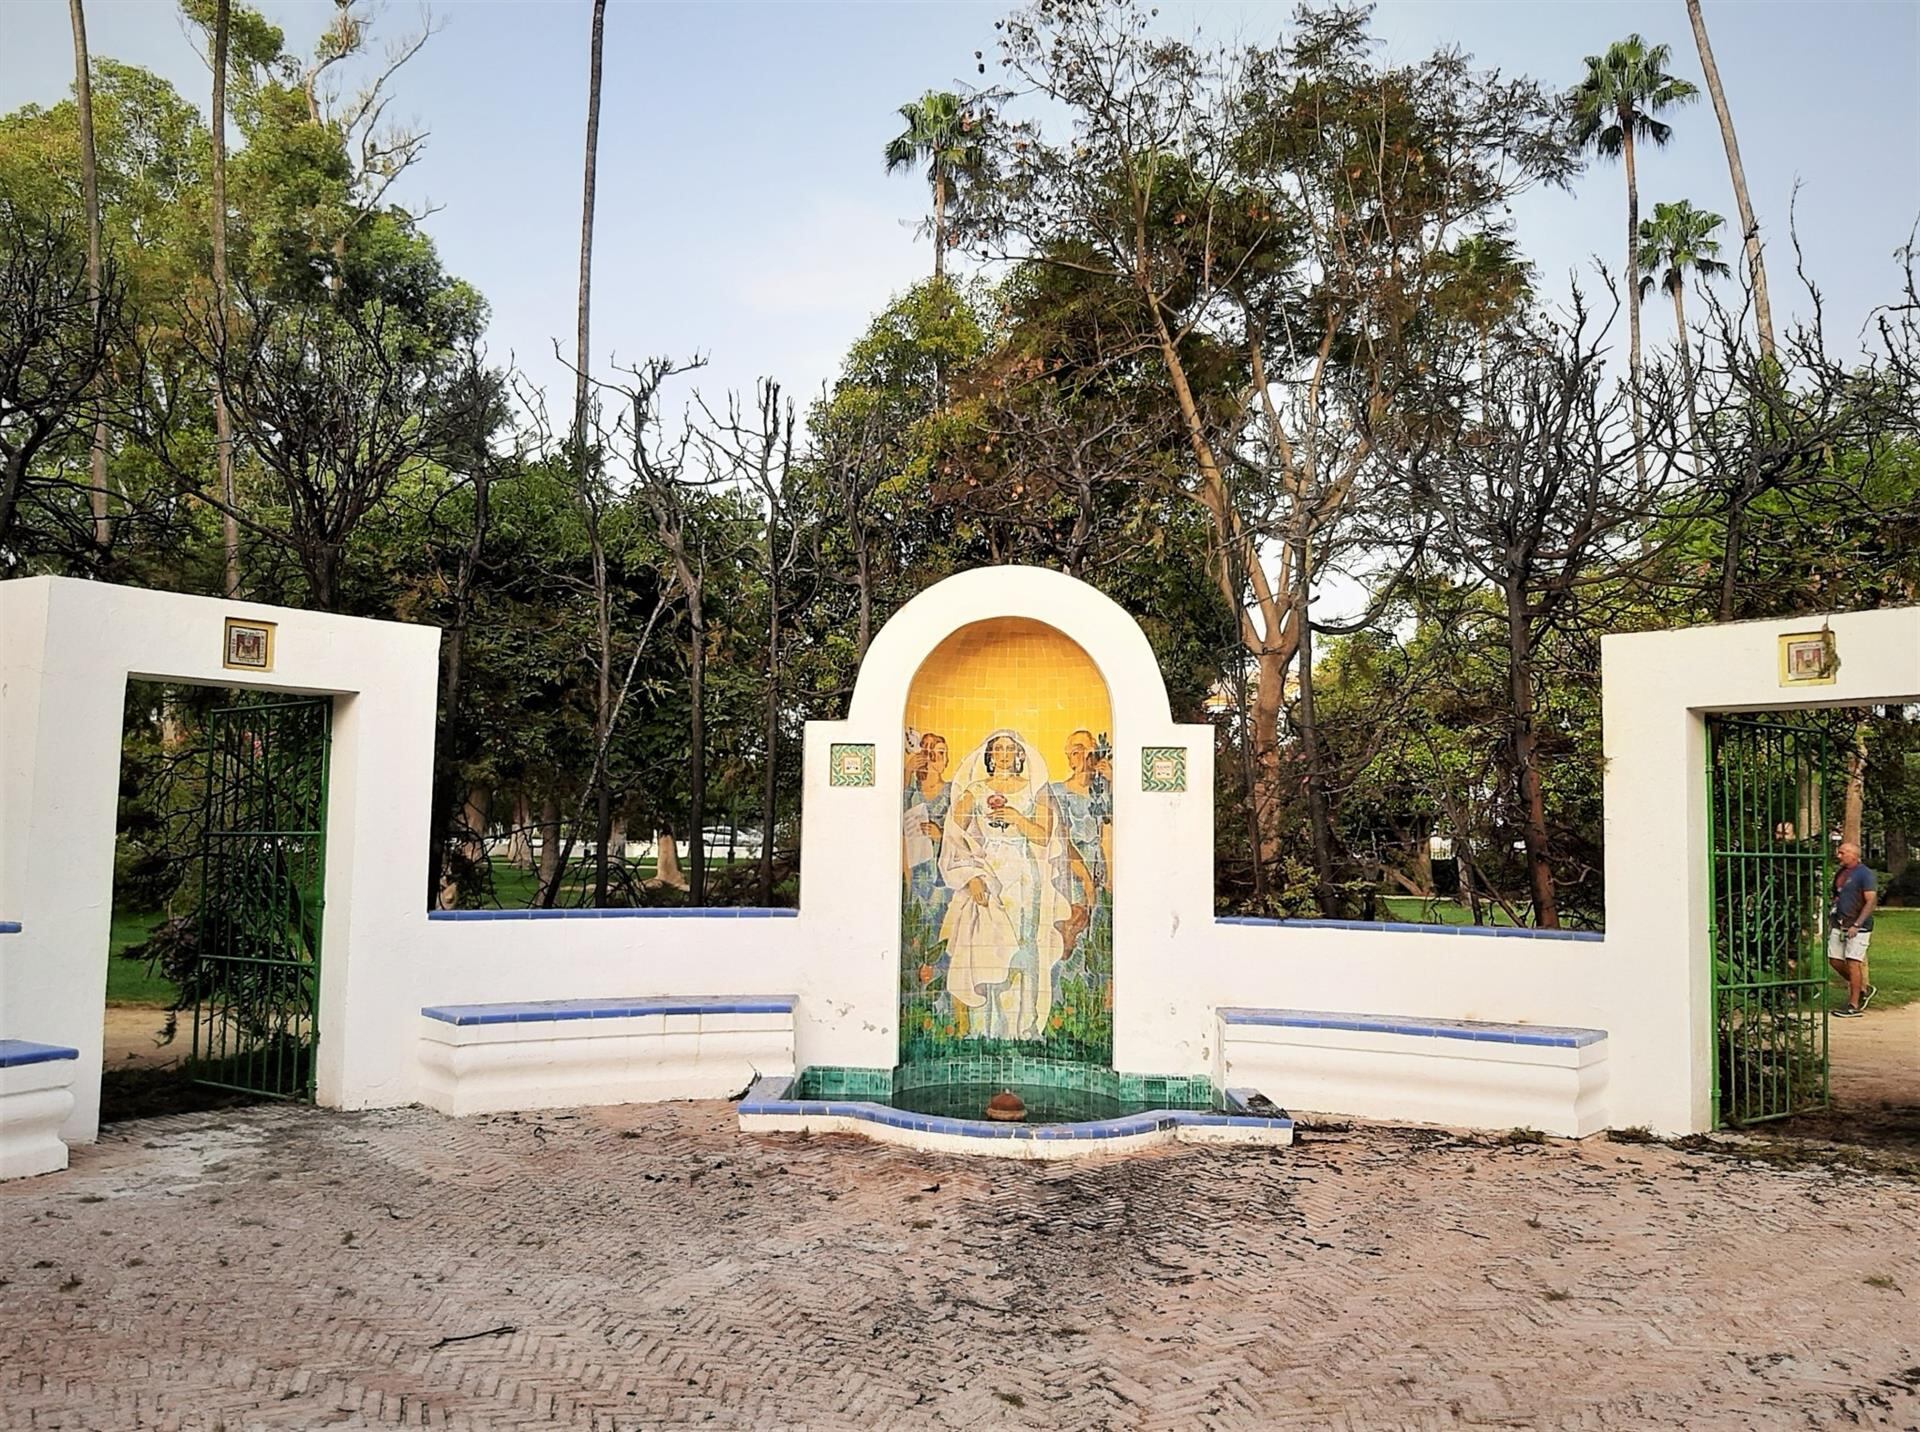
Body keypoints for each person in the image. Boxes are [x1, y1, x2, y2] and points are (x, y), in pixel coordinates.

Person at [938, 730, 1072, 1041]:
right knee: (985, 947)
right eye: (997, 749)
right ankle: (984, 1028)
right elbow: (954, 835)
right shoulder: (975, 790)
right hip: (988, 872)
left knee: (1023, 948)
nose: (1003, 754)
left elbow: (1042, 836)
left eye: (1009, 749)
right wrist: (970, 876)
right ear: (988, 755)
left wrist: (1015, 817)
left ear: (1020, 755)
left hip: (1022, 875)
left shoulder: (1034, 790)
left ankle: (1022, 1028)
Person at [1827, 841, 1878, 1017]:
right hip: (1839, 922)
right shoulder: (1841, 872)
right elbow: (1837, 895)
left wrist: (1857, 924)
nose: (1838, 855)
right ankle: (1861, 987)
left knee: (1853, 961)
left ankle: (1854, 1003)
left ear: (1853, 854)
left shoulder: (1864, 874)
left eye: (1842, 853)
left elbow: (1871, 900)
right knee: (1834, 960)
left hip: (1858, 926)